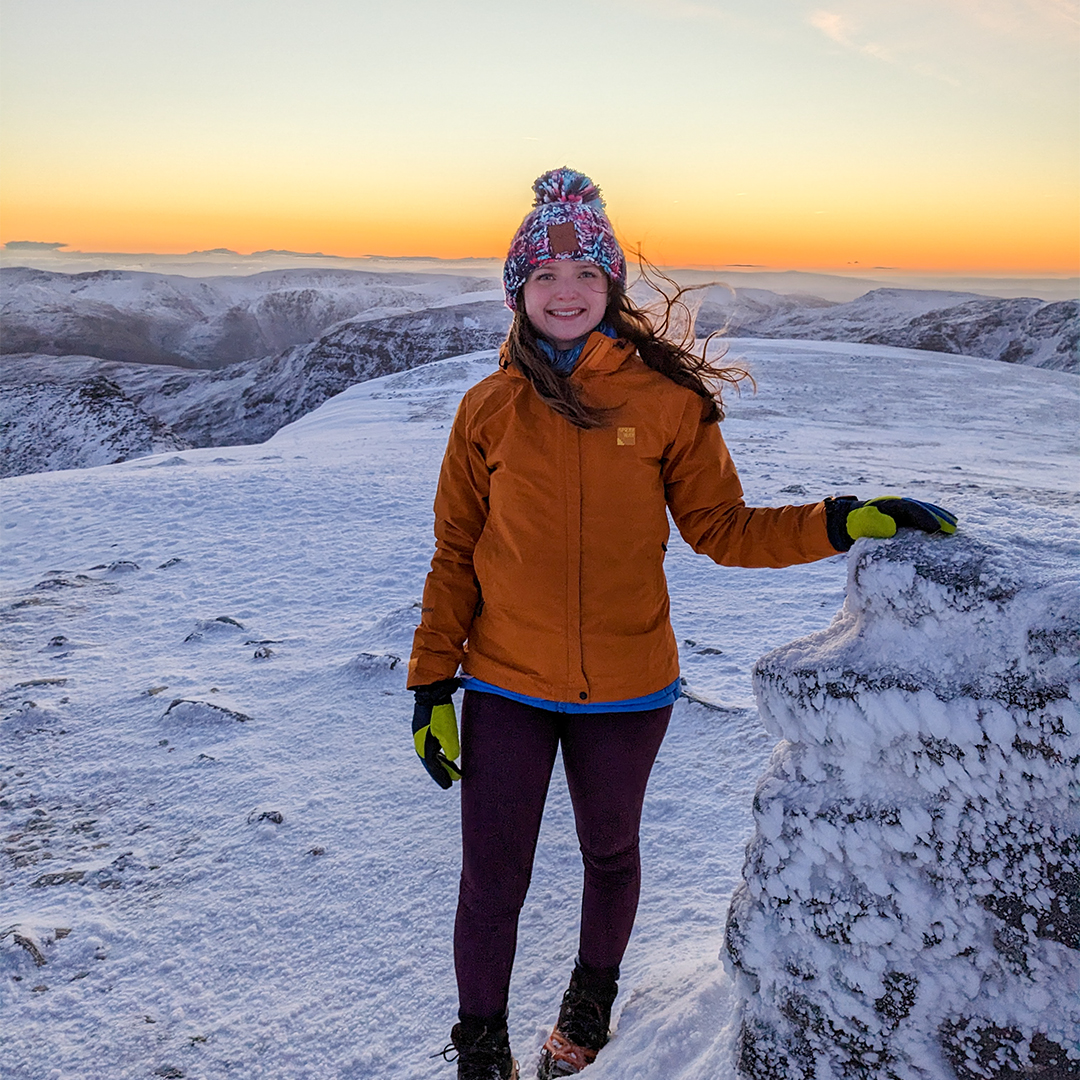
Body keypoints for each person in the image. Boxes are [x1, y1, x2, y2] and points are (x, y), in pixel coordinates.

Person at [407, 167, 956, 1080]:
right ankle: (481, 1047)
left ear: (612, 285)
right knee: (491, 881)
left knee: (609, 851)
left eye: (585, 270)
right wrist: (432, 682)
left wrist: (841, 518)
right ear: (518, 292)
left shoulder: (665, 403)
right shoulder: (487, 410)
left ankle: (592, 997)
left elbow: (722, 529)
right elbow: (455, 554)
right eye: (544, 275)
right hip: (503, 679)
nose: (567, 289)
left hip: (628, 685)